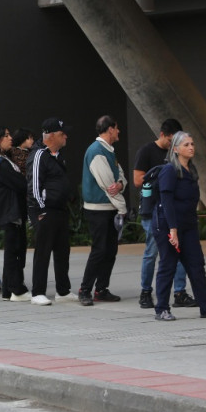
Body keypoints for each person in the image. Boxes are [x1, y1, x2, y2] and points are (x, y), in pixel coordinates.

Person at [153, 132, 206, 321]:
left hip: (188, 225)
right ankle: (162, 309)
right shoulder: (170, 170)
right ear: (176, 149)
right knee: (168, 265)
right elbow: (167, 202)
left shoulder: (191, 170)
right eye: (186, 144)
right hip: (169, 226)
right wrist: (173, 230)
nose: (191, 147)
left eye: (192, 143)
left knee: (196, 265)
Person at [133, 119, 194, 310]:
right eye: (171, 140)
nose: (172, 144)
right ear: (162, 135)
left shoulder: (180, 156)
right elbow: (137, 180)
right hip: (153, 211)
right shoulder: (147, 151)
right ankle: (145, 291)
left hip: (174, 211)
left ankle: (179, 292)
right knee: (152, 252)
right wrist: (160, 174)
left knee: (178, 250)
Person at [78, 115, 127, 306]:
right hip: (98, 209)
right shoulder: (96, 151)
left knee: (110, 251)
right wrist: (122, 206)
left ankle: (101, 289)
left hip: (109, 208)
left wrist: (121, 184)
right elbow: (108, 186)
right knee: (99, 251)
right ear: (109, 129)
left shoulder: (109, 151)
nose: (119, 131)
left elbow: (120, 176)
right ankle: (85, 289)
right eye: (117, 128)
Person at [27, 118, 75, 305]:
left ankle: (63, 291)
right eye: (63, 134)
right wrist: (41, 210)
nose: (66, 137)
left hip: (59, 209)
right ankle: (37, 292)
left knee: (63, 250)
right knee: (43, 251)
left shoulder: (58, 155)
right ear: (53, 136)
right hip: (45, 210)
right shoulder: (39, 155)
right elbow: (34, 185)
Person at [0, 125, 30, 302]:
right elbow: (21, 184)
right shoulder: (0, 163)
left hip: (12, 212)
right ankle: (16, 289)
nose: (10, 138)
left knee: (14, 250)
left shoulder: (3, 160)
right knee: (14, 251)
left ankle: (8, 289)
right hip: (11, 212)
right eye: (6, 135)